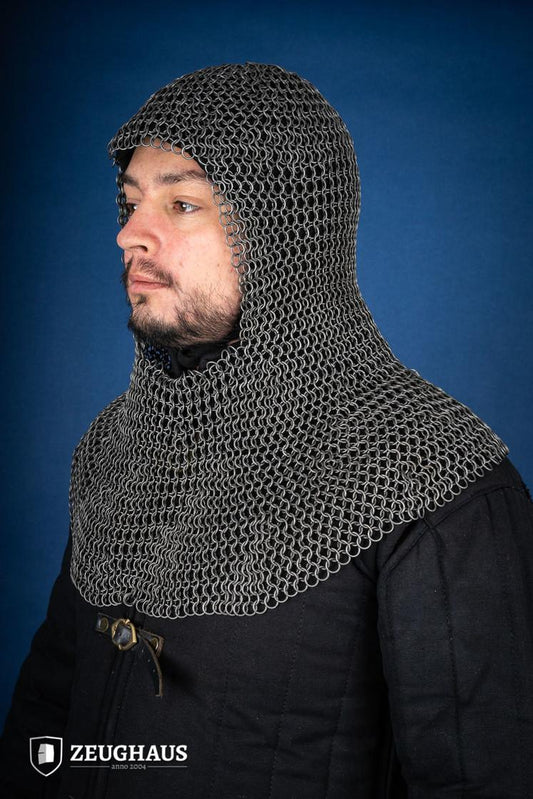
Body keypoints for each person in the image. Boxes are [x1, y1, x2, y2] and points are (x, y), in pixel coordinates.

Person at [1, 62, 532, 799]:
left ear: (282, 231)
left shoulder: (428, 476)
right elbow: (43, 734)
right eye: (128, 203)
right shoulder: (118, 446)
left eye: (181, 203)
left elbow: (483, 777)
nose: (130, 235)